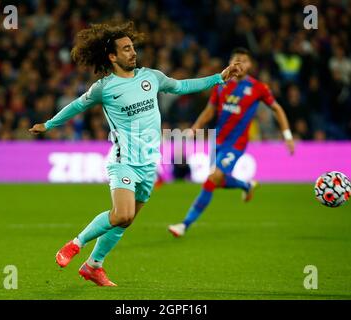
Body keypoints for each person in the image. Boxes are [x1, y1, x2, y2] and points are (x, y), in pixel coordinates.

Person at [29, 21, 241, 286]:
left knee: (126, 220)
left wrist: (219, 78)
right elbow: (75, 106)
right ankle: (75, 244)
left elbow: (182, 86)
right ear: (112, 56)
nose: (133, 53)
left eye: (133, 48)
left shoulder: (150, 77)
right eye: (126, 49)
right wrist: (48, 124)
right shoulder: (104, 88)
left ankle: (94, 265)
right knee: (121, 215)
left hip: (148, 163)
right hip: (123, 160)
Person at [168, 47, 295, 238]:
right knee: (215, 181)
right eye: (237, 59)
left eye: (244, 60)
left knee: (212, 179)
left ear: (250, 64)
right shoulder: (221, 85)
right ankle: (246, 185)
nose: (240, 63)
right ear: (230, 62)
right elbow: (210, 110)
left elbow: (277, 109)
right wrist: (195, 128)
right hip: (217, 141)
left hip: (235, 145)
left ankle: (184, 225)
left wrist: (287, 135)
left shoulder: (259, 88)